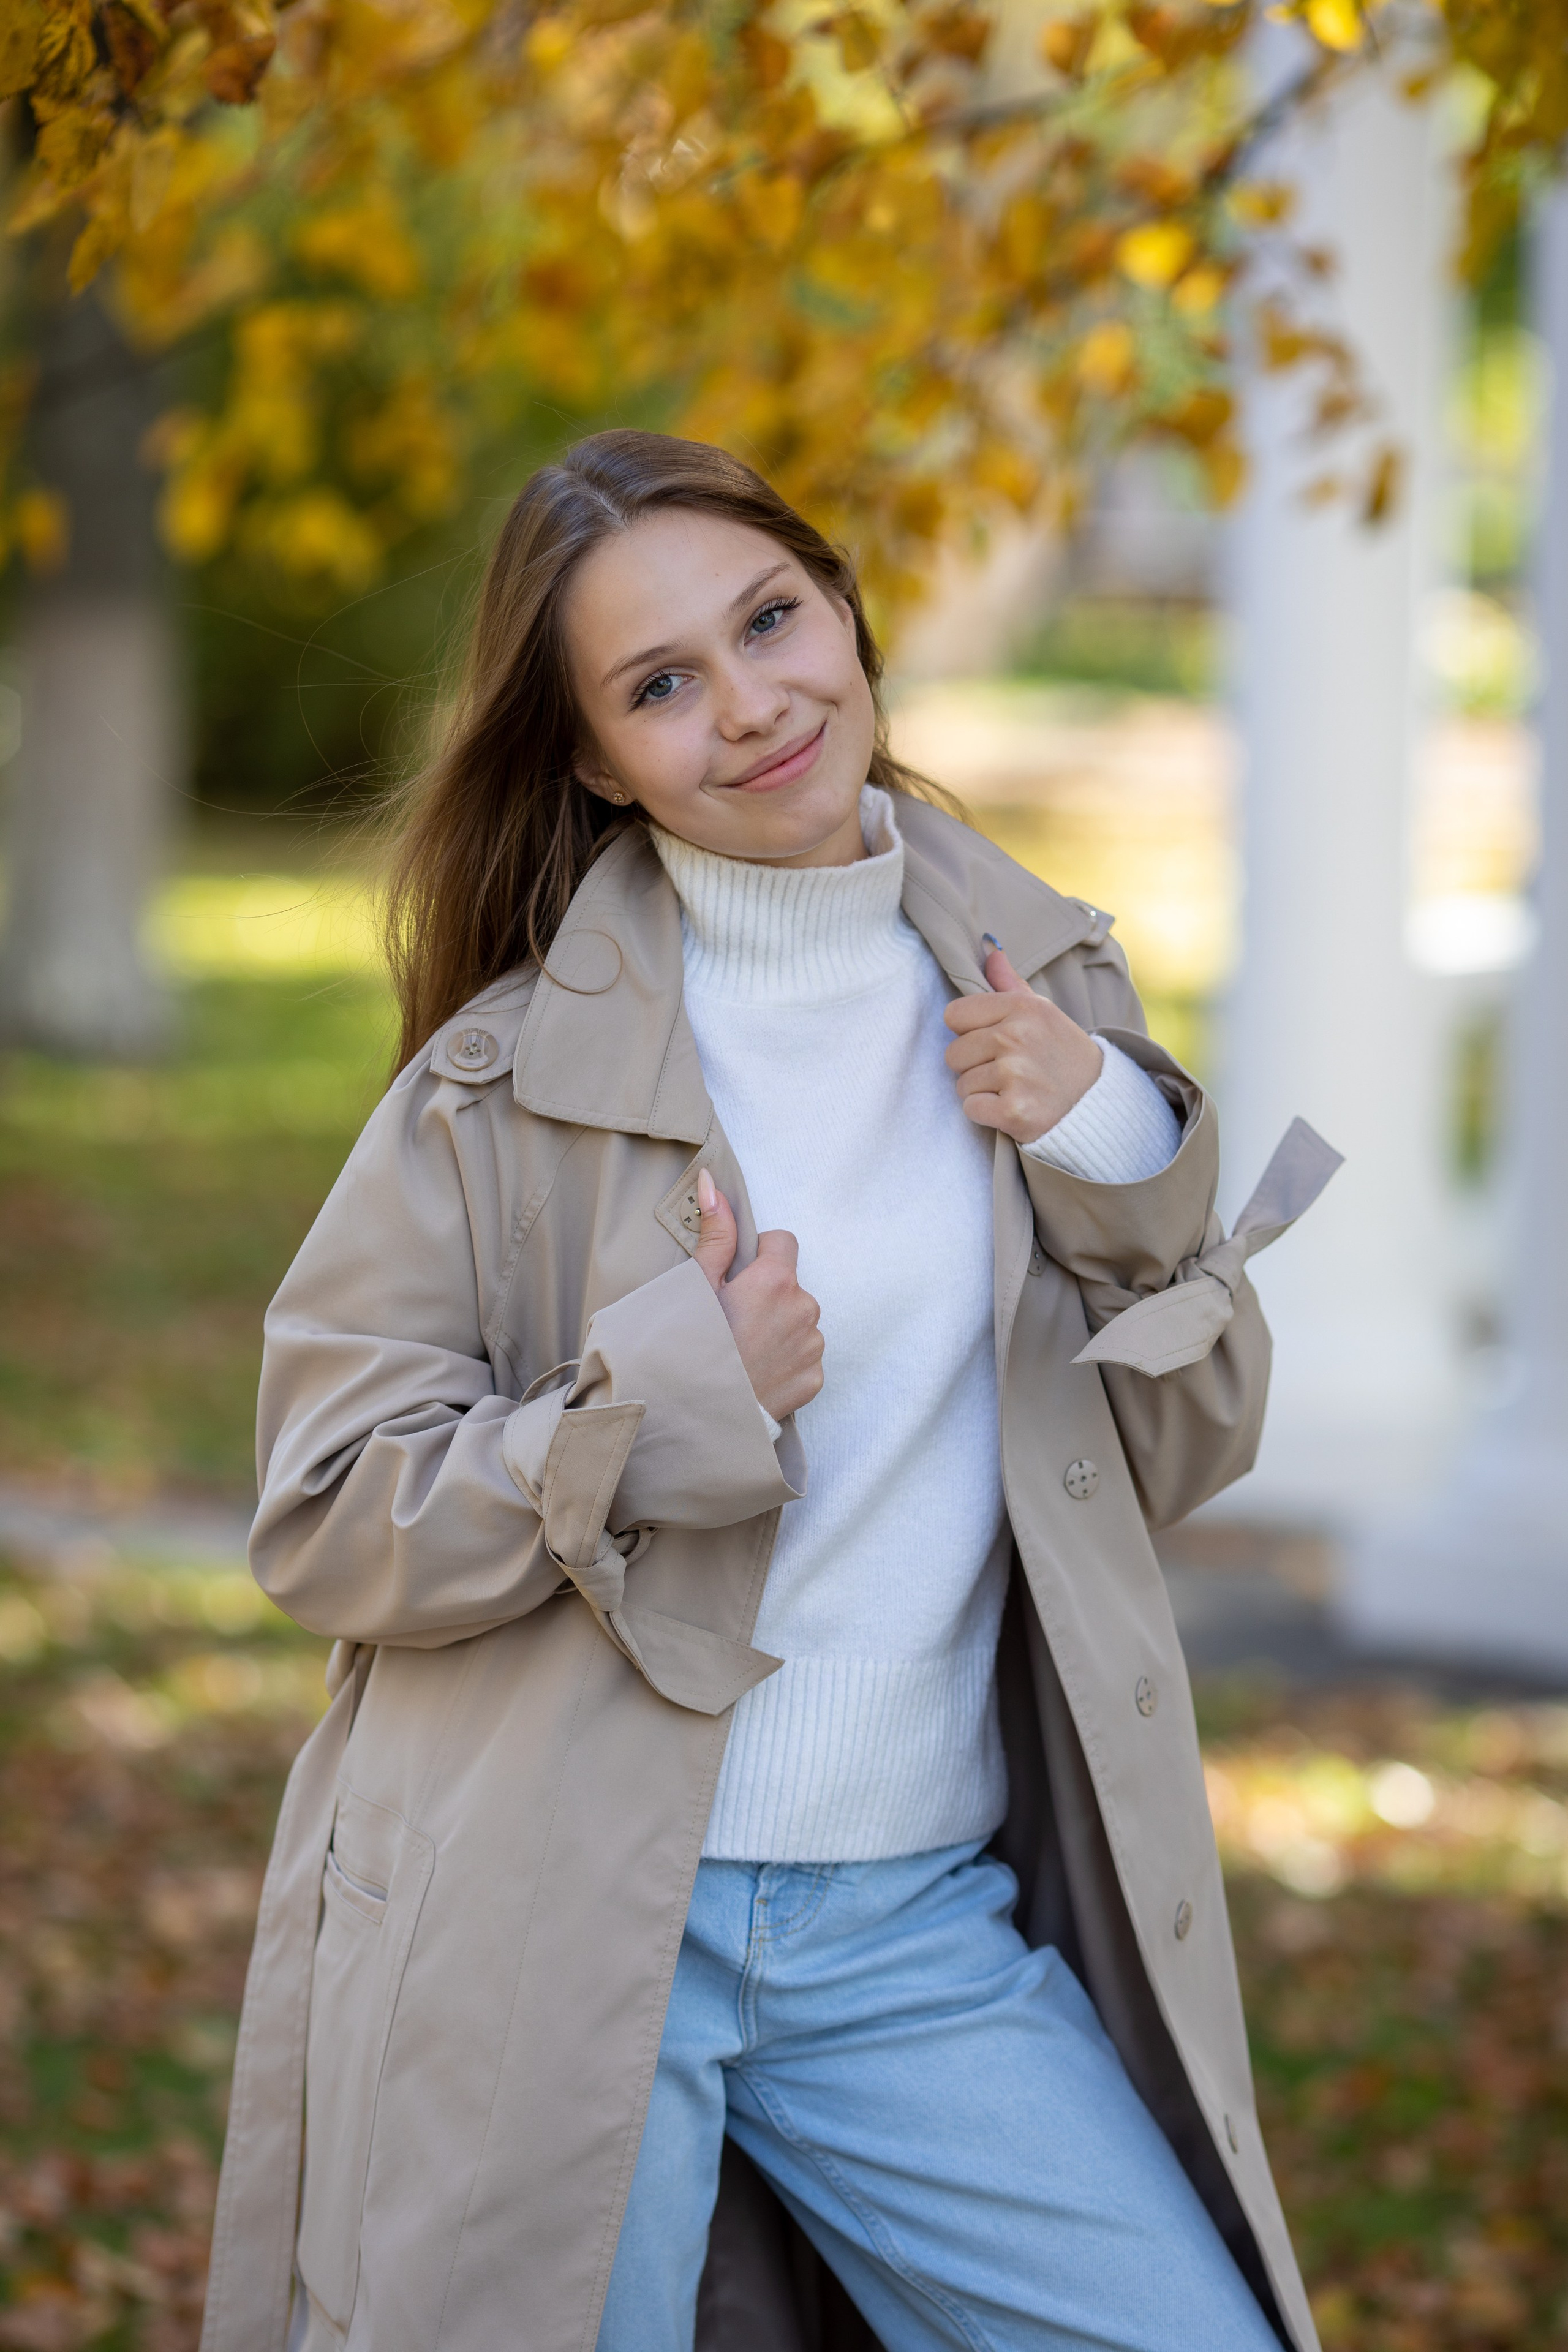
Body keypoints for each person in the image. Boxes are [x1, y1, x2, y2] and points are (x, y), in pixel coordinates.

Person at [199, 431, 1335, 2352]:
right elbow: (320, 1510)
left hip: (904, 1922)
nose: (751, 705)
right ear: (588, 758)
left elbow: (1185, 1449)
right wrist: (655, 1407)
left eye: (770, 620)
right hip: (559, 1923)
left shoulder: (1039, 995)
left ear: (843, 608)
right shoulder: (498, 1089)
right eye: (661, 686)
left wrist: (1119, 1140)